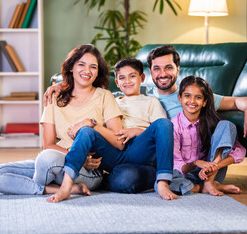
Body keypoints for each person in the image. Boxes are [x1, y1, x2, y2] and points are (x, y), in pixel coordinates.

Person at [44, 45, 247, 193]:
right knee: (123, 178)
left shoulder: (193, 95)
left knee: (222, 124)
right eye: (157, 69)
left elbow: (240, 101)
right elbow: (90, 89)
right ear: (149, 74)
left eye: (168, 67)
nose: (163, 73)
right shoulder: (139, 94)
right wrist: (61, 85)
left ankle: (198, 181)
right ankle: (193, 185)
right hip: (141, 155)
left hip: (182, 159)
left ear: (178, 69)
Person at [0, 44, 122, 195]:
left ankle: (38, 184)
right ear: (71, 67)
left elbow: (118, 142)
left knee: (45, 160)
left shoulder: (105, 96)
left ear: (98, 72)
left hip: (88, 170)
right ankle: (53, 189)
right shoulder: (54, 96)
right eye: (81, 64)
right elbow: (48, 145)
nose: (87, 71)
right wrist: (73, 155)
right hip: (55, 159)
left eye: (93, 67)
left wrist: (81, 157)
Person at [46, 57, 178, 202]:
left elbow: (160, 134)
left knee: (164, 124)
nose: (127, 81)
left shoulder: (151, 101)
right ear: (117, 82)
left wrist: (137, 131)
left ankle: (163, 182)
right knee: (86, 131)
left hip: (139, 149)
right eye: (122, 78)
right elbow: (84, 85)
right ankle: (66, 186)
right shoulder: (109, 99)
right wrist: (61, 84)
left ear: (142, 78)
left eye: (132, 76)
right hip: (114, 151)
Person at [169, 76, 245, 196]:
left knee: (227, 125)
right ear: (180, 98)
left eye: (198, 97)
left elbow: (239, 151)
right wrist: (196, 163)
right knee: (165, 181)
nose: (192, 101)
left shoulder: (212, 122)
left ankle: (209, 182)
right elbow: (178, 167)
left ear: (205, 102)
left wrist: (213, 167)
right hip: (186, 176)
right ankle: (206, 187)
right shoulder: (174, 126)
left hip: (213, 173)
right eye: (187, 96)